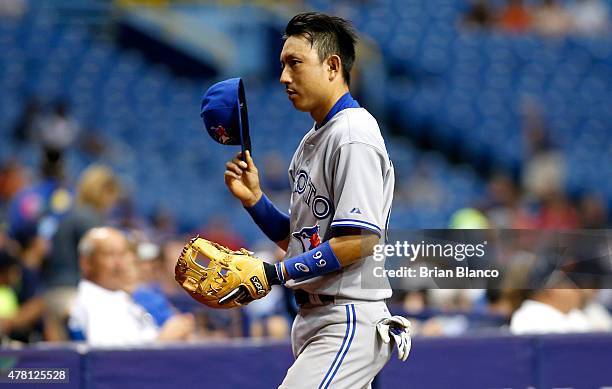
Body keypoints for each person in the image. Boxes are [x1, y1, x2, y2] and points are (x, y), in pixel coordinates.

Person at [223, 12, 408, 388]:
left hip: (347, 318)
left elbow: (359, 240)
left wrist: (273, 273)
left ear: (332, 66)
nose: (283, 77)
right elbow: (303, 241)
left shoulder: (353, 133)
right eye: (282, 65)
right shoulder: (313, 140)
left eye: (295, 63)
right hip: (318, 318)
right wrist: (256, 202)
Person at [68, 227, 194, 346]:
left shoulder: (116, 295)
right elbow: (111, 361)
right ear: (87, 263)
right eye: (111, 255)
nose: (121, 264)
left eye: (123, 254)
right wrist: (165, 339)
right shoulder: (94, 301)